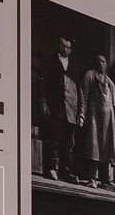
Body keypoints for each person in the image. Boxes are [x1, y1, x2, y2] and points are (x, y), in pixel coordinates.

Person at [34, 35, 81, 182]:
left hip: (71, 110)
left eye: (68, 47)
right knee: (54, 138)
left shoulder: (74, 66)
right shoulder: (49, 61)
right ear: (58, 45)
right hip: (55, 107)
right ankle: (51, 168)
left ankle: (65, 171)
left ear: (71, 50)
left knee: (68, 143)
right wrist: (43, 101)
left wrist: (80, 112)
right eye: (62, 45)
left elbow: (78, 90)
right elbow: (41, 82)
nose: (65, 49)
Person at [78, 52, 115, 188]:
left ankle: (108, 180)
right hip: (94, 115)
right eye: (99, 61)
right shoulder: (89, 76)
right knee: (93, 146)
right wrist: (82, 115)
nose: (101, 63)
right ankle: (92, 178)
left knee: (109, 147)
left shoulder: (111, 83)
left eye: (103, 61)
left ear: (106, 64)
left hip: (109, 119)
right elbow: (84, 96)